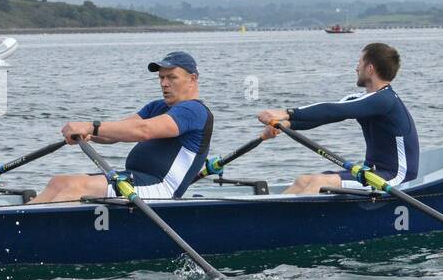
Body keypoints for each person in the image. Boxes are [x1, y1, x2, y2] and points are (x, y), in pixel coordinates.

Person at [30, 51, 213, 203]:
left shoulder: (194, 111)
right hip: (134, 179)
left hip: (160, 190)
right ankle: (16, 224)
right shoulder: (157, 107)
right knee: (59, 182)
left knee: (75, 186)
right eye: (161, 77)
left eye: (171, 77)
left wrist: (91, 127)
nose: (164, 83)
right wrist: (89, 135)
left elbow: (143, 131)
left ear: (192, 79)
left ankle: (29, 234)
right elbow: (115, 133)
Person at [256, 42, 419, 194]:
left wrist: (286, 112)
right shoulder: (363, 99)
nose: (356, 68)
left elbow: (333, 110)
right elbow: (324, 116)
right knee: (303, 180)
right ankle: (267, 217)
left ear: (370, 69)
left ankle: (292, 222)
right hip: (370, 172)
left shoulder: (385, 100)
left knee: (318, 183)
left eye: (359, 63)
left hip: (395, 176)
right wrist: (285, 125)